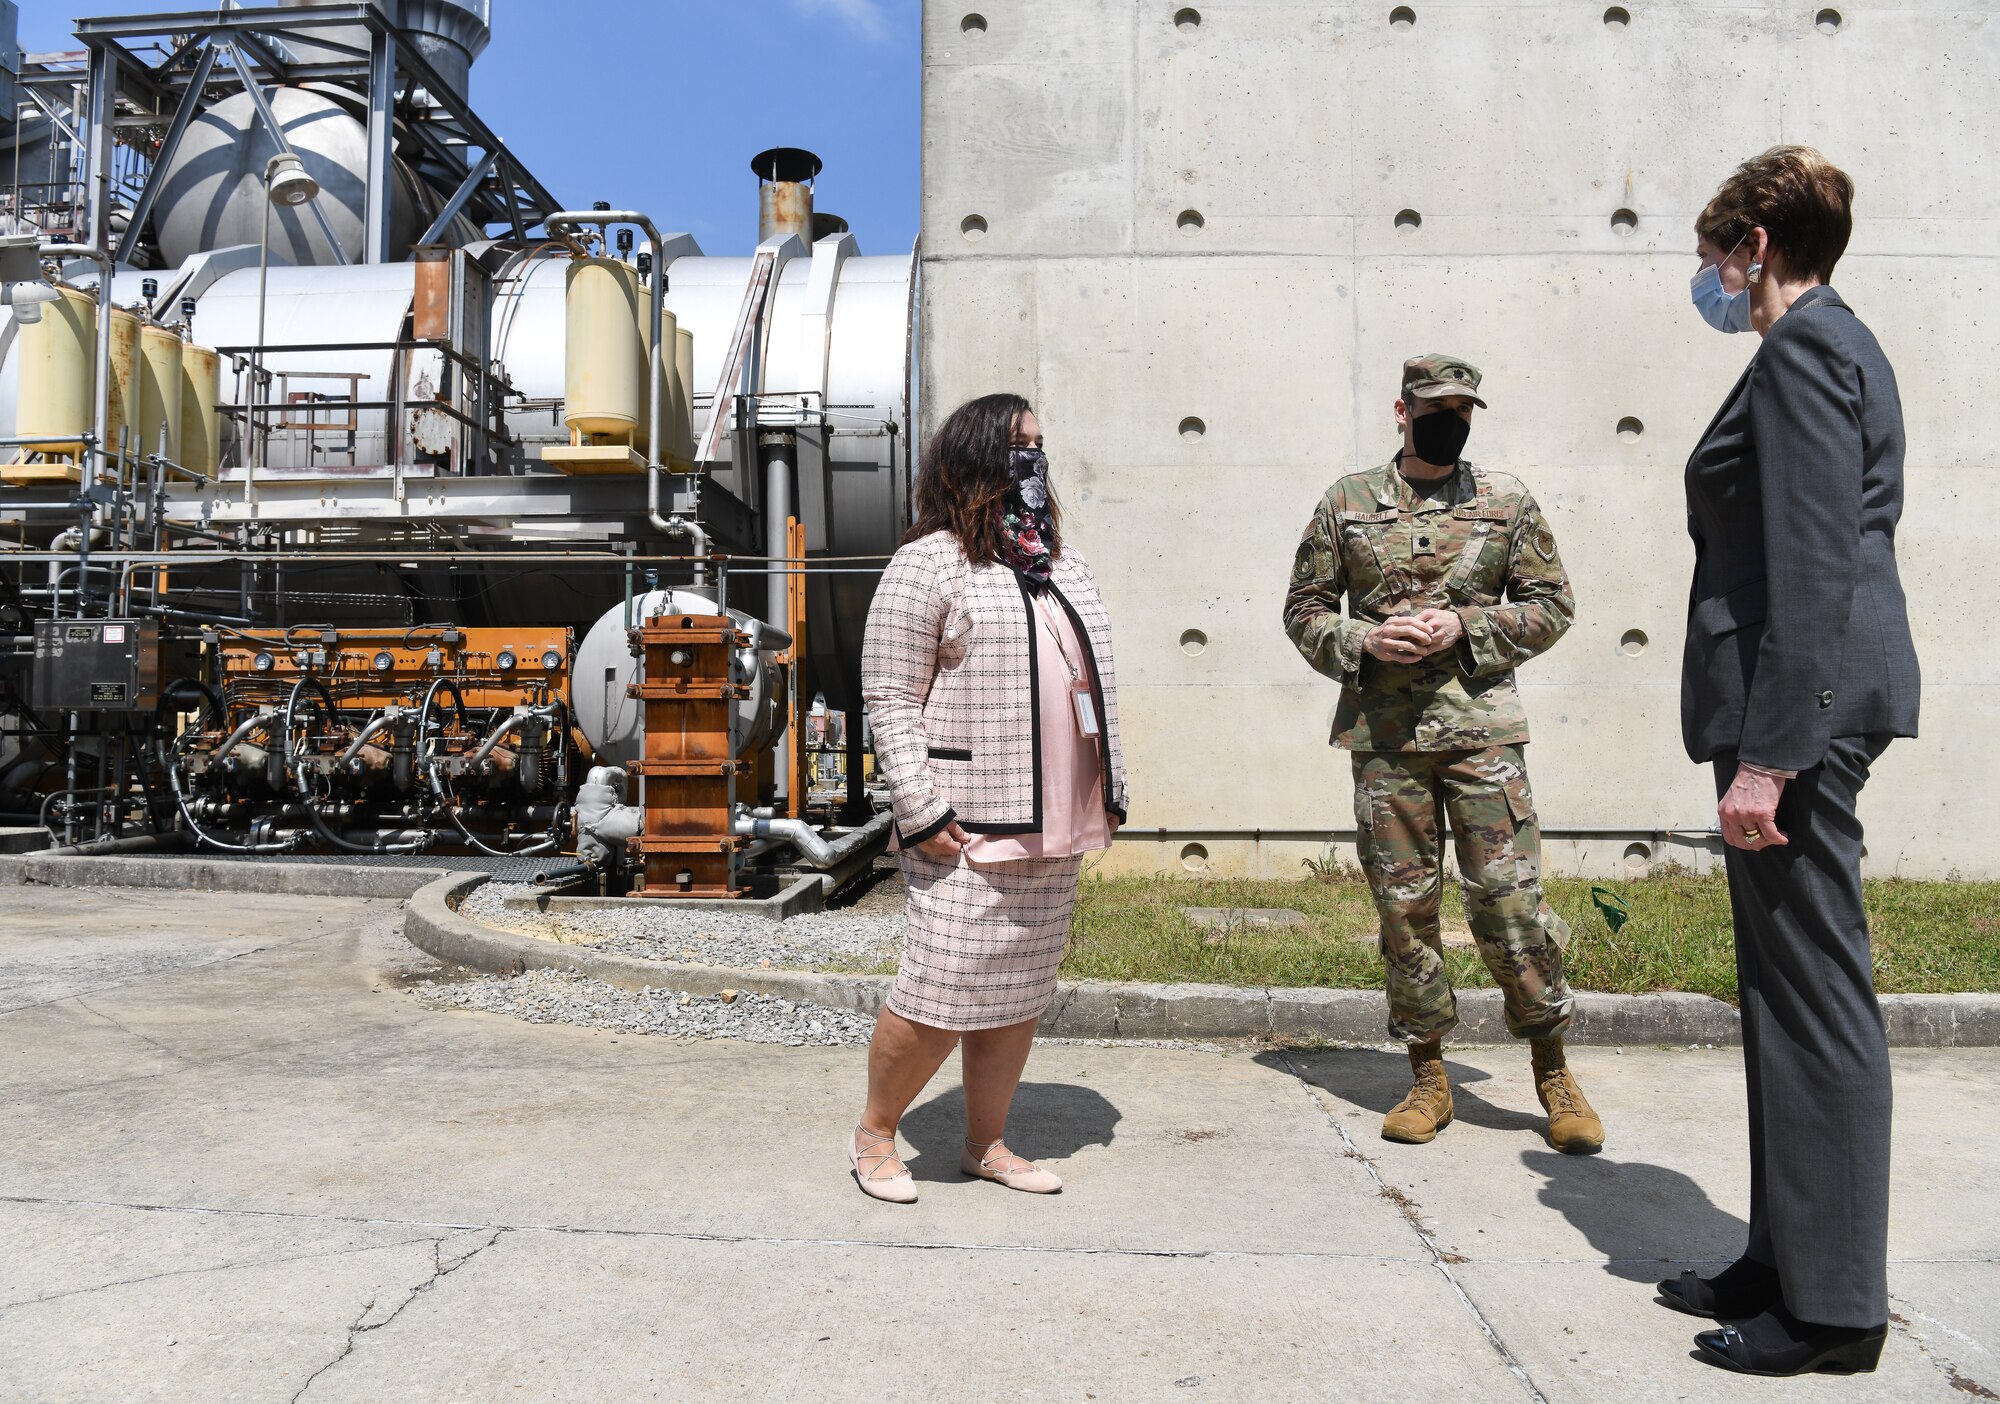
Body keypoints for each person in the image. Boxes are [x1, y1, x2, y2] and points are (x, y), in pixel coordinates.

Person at [1663, 145, 1919, 1377]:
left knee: (1815, 1000)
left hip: (1795, 717)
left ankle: (1831, 1313)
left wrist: (1770, 754)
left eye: (1716, 254)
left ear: (1752, 248)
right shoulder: (1829, 346)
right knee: (1779, 996)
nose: (1709, 279)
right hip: (1789, 708)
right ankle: (1781, 1257)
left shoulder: (1806, 348)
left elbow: (1816, 561)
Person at [1282, 354, 1602, 1154]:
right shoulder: (1346, 502)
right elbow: (1305, 609)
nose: (1451, 420)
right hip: (1387, 742)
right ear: (1403, 409)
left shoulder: (1505, 501)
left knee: (1508, 900)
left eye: (1464, 408)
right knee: (1404, 910)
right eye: (1436, 407)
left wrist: (1471, 627)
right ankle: (1427, 1074)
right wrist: (1365, 638)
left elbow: (1553, 605)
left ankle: (1553, 1068)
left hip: (1482, 736)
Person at [849, 392, 1130, 1204]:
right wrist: (920, 807)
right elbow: (891, 696)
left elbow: (1097, 684)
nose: (1032, 463)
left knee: (1018, 990)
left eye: (1039, 446)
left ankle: (986, 1142)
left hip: (1055, 818)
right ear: (971, 459)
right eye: (1016, 448)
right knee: (940, 989)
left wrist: (1110, 787)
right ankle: (874, 1133)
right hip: (965, 822)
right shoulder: (928, 562)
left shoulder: (1061, 563)